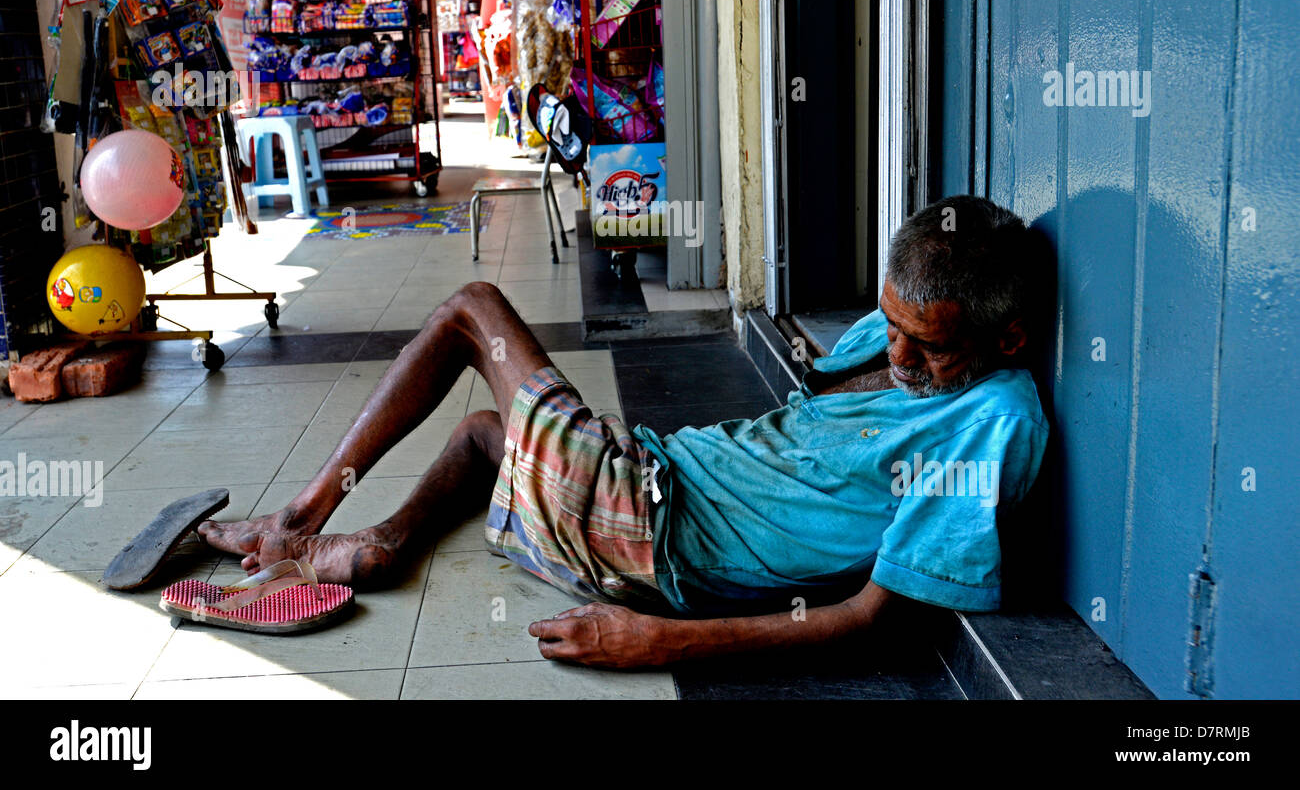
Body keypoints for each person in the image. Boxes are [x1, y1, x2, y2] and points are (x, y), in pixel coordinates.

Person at [199, 195, 1049, 669]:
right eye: (891, 323)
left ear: (1007, 338)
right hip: (647, 482)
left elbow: (878, 618)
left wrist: (659, 642)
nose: (896, 350)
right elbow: (838, 376)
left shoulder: (991, 422)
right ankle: (383, 540)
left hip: (653, 533)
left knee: (474, 311)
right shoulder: (915, 339)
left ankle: (298, 519)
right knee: (489, 433)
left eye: (926, 344)